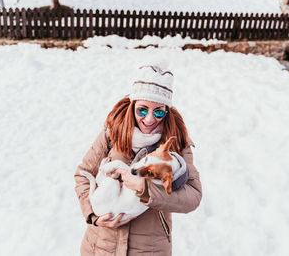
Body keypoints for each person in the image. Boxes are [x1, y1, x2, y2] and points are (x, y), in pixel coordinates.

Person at [74, 65, 202, 255]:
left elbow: (193, 196)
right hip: (101, 245)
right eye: (142, 110)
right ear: (132, 105)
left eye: (158, 111)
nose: (150, 119)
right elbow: (83, 175)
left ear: (167, 110)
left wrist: (147, 189)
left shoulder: (176, 141)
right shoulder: (112, 132)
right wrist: (94, 216)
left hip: (149, 250)